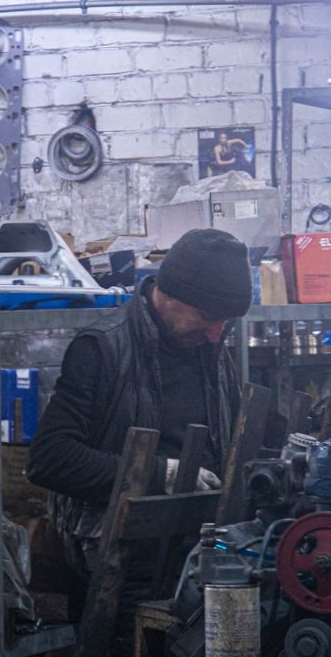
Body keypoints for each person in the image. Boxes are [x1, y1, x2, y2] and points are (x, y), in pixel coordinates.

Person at [27, 227, 251, 576]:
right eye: (208, 318)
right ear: (170, 295)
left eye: (225, 322)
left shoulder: (212, 351)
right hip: (119, 550)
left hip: (202, 543)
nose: (216, 334)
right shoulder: (102, 350)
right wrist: (160, 474)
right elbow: (50, 460)